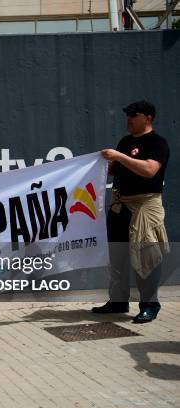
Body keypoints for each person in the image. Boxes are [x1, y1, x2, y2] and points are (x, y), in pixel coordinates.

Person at [93, 100, 170, 323]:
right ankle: (117, 301)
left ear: (148, 118)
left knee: (146, 256)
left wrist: (120, 157)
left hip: (144, 207)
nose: (129, 119)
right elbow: (113, 171)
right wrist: (99, 164)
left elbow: (149, 170)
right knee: (117, 256)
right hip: (120, 205)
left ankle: (149, 305)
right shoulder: (125, 141)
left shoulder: (158, 142)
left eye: (133, 115)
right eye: (128, 115)